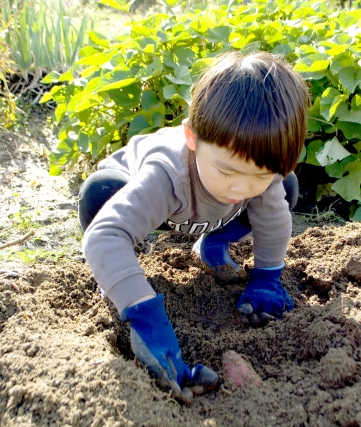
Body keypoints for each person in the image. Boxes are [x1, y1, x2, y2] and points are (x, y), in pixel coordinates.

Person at [79, 51, 309, 401]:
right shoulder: (165, 174)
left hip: (207, 215)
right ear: (192, 138)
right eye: (227, 171)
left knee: (283, 192)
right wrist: (144, 317)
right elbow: (105, 234)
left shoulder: (257, 176)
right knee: (99, 195)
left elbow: (274, 221)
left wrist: (267, 279)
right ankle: (117, 275)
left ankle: (213, 242)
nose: (241, 188)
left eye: (259, 175)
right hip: (149, 204)